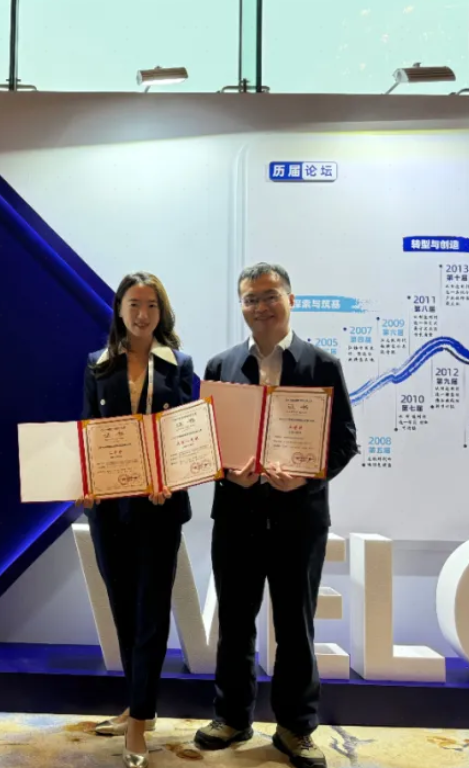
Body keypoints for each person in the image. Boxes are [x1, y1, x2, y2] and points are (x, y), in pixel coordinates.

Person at [192, 262, 358, 768]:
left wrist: (305, 478)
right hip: (236, 516)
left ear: (290, 299)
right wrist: (228, 473)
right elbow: (204, 444)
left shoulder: (322, 364)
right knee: (235, 623)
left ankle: (295, 728)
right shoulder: (221, 366)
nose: (260, 307)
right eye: (250, 298)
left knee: (295, 626)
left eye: (269, 296)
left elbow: (344, 442)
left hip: (299, 519)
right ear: (240, 305)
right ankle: (232, 717)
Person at [81, 271, 195, 768]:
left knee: (151, 613)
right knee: (124, 610)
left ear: (161, 312)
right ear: (120, 309)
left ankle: (139, 721)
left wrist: (175, 476)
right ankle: (135, 704)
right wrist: (85, 481)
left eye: (151, 305)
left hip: (160, 508)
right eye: (134, 304)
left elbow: (187, 435)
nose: (142, 314)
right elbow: (88, 431)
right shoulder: (98, 364)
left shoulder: (179, 364)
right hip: (110, 509)